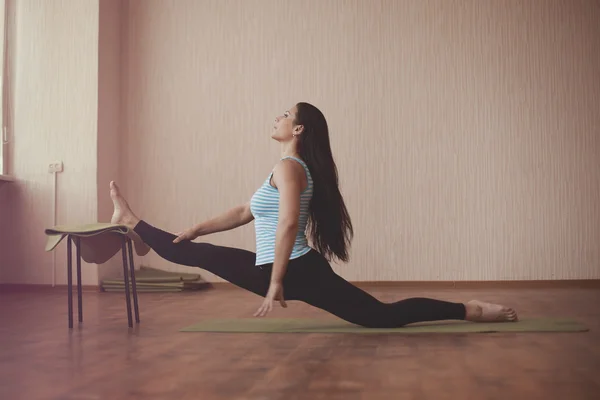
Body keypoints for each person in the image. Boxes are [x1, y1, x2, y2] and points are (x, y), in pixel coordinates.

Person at [109, 102, 518, 327]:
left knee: (382, 317)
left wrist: (275, 280)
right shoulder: (281, 169)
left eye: (286, 114)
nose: (278, 116)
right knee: (192, 250)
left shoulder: (290, 169)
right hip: (281, 266)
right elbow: (243, 212)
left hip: (295, 269)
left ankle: (471, 310)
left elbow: (289, 223)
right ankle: (135, 226)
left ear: (299, 129)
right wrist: (196, 228)